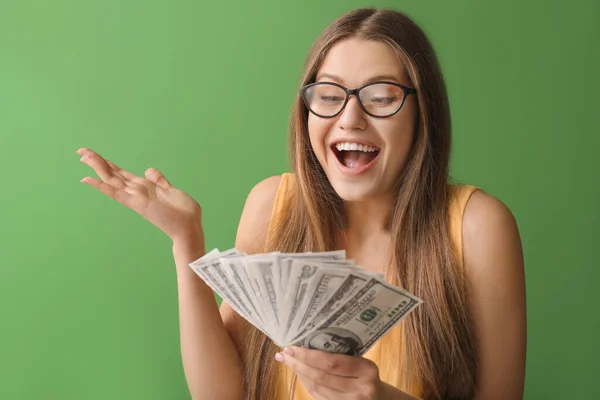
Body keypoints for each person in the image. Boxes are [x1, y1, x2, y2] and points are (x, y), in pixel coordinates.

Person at [76, 7, 526, 400]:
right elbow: (221, 395)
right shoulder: (273, 205)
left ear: (422, 110)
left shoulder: (478, 228)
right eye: (329, 96)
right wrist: (185, 241)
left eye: (381, 98)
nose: (350, 118)